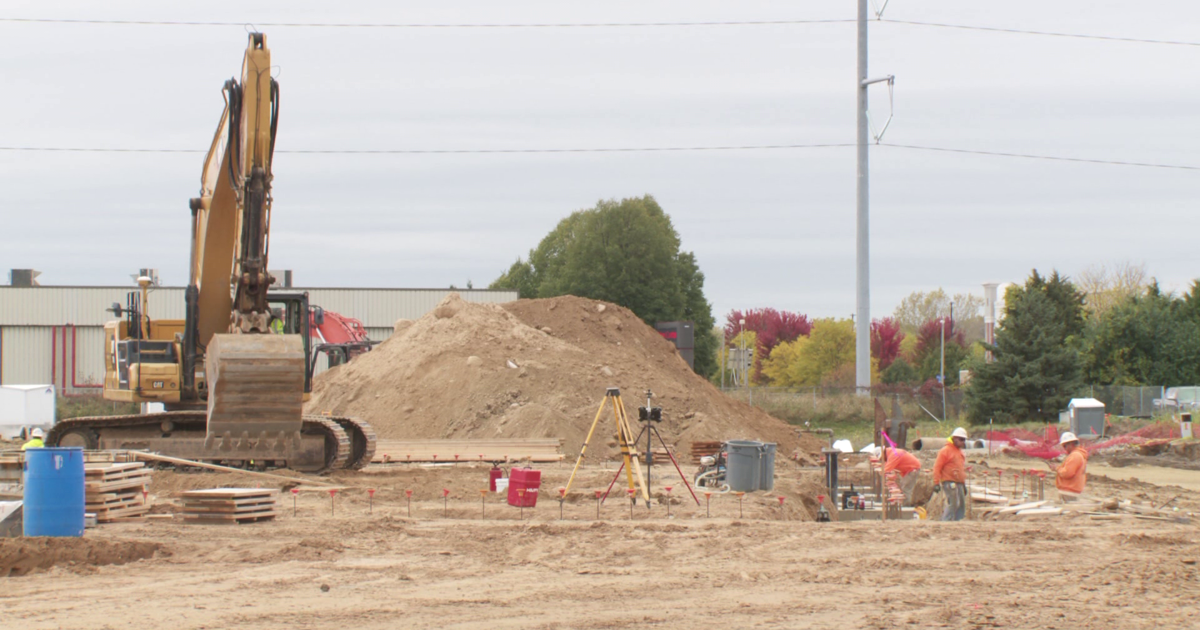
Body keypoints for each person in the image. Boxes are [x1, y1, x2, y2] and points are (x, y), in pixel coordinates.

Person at [932, 427, 969, 521]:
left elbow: (960, 469)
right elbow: (937, 467)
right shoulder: (945, 451)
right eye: (961, 439)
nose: (963, 442)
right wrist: (936, 483)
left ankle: (957, 522)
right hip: (949, 481)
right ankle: (946, 521)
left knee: (961, 504)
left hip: (959, 482)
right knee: (953, 503)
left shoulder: (959, 452)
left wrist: (963, 484)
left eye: (964, 440)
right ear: (955, 438)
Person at [1054, 432, 1088, 497]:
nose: (1064, 448)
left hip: (1069, 492)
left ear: (1071, 444)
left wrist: (1057, 468)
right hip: (1071, 491)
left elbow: (1067, 473)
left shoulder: (1075, 455)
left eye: (1065, 446)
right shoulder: (1078, 455)